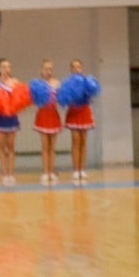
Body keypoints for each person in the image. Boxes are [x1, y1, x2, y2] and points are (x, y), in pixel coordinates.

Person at [0, 57, 21, 186]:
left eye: (8, 67)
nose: (6, 69)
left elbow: (20, 99)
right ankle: (4, 174)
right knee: (2, 146)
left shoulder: (15, 82)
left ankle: (11, 173)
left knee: (11, 146)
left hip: (12, 117)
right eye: (3, 67)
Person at [64, 58, 95, 186]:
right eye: (74, 67)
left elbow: (91, 96)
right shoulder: (68, 83)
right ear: (71, 69)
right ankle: (75, 170)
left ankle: (82, 170)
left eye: (79, 67)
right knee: (75, 141)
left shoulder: (87, 81)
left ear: (81, 68)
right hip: (73, 112)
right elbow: (65, 98)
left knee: (83, 142)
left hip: (84, 112)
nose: (77, 69)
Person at [32, 58, 62, 186]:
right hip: (43, 115)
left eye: (50, 69)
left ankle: (51, 171)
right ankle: (45, 172)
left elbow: (62, 99)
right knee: (45, 147)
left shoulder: (57, 83)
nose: (48, 71)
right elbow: (33, 100)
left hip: (54, 115)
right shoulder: (38, 84)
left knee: (52, 147)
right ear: (41, 70)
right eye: (46, 69)